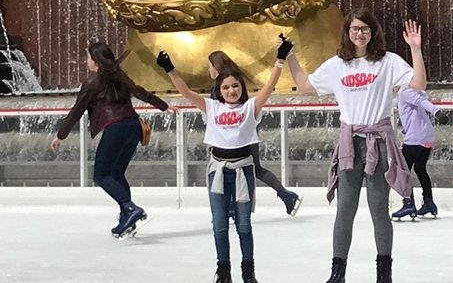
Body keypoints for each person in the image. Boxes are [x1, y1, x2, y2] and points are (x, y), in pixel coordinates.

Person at [281, 8, 426, 283]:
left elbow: (418, 84)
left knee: (378, 208)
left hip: (379, 143)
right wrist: (290, 57)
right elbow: (304, 85)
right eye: (355, 29)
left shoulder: (388, 61)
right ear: (347, 32)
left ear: (373, 33)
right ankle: (338, 272)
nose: (360, 34)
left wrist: (415, 50)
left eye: (365, 29)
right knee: (344, 209)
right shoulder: (337, 64)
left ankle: (384, 272)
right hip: (350, 144)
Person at [155, 39, 293, 283]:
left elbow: (270, 86)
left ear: (241, 88)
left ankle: (248, 272)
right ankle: (224, 272)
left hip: (243, 171)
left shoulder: (250, 108)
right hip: (217, 171)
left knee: (244, 226)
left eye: (236, 86)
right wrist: (169, 68)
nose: (232, 91)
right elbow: (186, 92)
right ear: (219, 90)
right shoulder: (212, 107)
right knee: (219, 225)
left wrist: (280, 60)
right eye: (227, 87)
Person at [50, 42, 174, 238]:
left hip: (116, 127)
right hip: (133, 126)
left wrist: (60, 135)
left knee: (101, 176)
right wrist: (163, 106)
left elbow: (77, 111)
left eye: (88, 57)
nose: (86, 61)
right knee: (116, 174)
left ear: (96, 61)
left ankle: (130, 208)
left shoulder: (92, 83)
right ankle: (127, 218)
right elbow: (139, 91)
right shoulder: (119, 76)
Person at [207, 50, 302, 217]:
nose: (208, 70)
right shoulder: (227, 83)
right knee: (253, 169)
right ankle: (284, 195)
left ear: (216, 66)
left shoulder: (224, 86)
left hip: (241, 136)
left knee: (252, 168)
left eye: (209, 66)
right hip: (238, 135)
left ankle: (284, 195)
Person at [390, 87, 449, 220]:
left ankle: (409, 204)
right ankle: (429, 202)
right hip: (427, 137)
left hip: (415, 138)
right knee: (420, 168)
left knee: (403, 170)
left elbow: (421, 101)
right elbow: (392, 102)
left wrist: (437, 112)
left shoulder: (406, 92)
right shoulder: (405, 94)